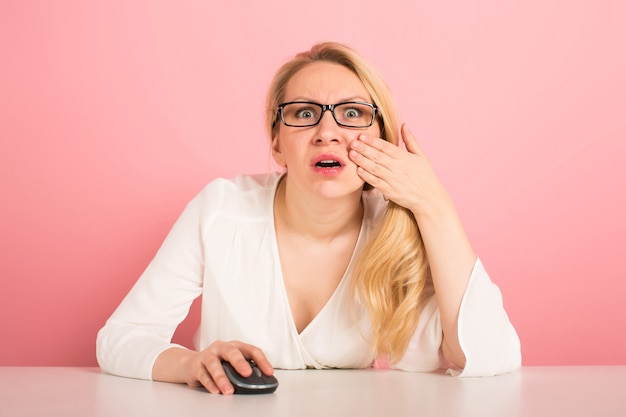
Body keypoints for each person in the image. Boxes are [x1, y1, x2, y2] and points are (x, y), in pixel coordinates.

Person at [96, 41, 521, 395]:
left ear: (384, 139)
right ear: (277, 144)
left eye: (352, 114)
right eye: (303, 113)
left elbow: (489, 356)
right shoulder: (221, 210)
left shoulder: (397, 232)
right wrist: (192, 364)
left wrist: (434, 204)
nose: (327, 131)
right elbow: (120, 337)